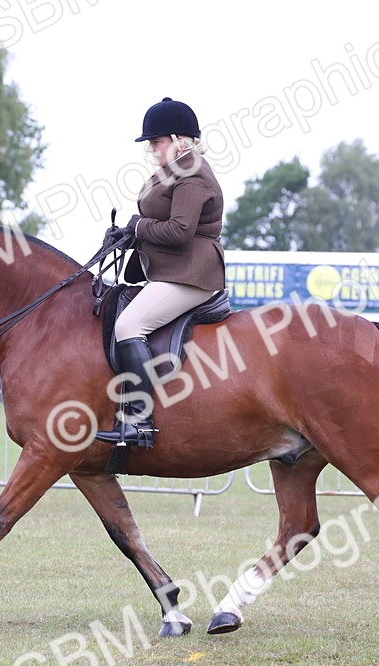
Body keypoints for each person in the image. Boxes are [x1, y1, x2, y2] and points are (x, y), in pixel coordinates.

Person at [95, 98, 225, 448]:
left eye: (156, 142)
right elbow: (157, 223)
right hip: (171, 271)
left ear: (176, 138)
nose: (152, 150)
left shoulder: (193, 172)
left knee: (128, 326)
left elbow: (180, 230)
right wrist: (127, 235)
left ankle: (139, 422)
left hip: (191, 274)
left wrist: (138, 229)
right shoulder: (174, 171)